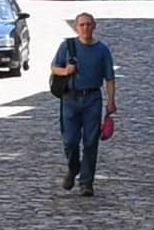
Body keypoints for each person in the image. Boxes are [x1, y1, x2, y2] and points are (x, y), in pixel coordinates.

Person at [47, 10, 118, 193]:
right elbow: (54, 67)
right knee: (70, 141)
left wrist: (111, 100)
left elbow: (109, 78)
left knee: (90, 142)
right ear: (76, 27)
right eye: (82, 25)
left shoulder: (102, 50)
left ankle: (86, 182)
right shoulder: (67, 46)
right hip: (70, 98)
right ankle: (73, 168)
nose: (85, 28)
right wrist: (65, 71)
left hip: (92, 99)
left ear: (94, 26)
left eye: (88, 24)